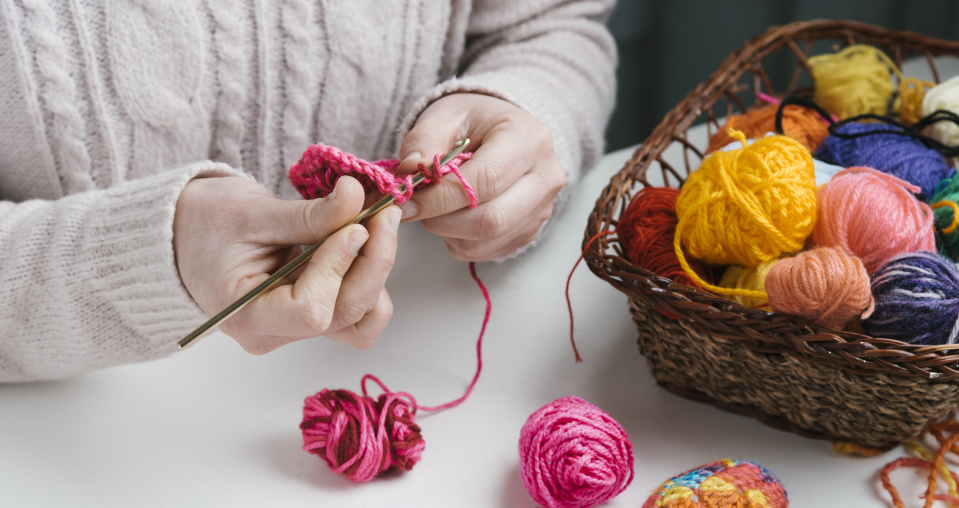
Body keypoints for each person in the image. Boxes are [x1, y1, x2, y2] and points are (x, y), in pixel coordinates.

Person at [0, 0, 617, 382]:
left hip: (426, 337)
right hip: (70, 432)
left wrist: (524, 112)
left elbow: (550, 24)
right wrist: (154, 254)